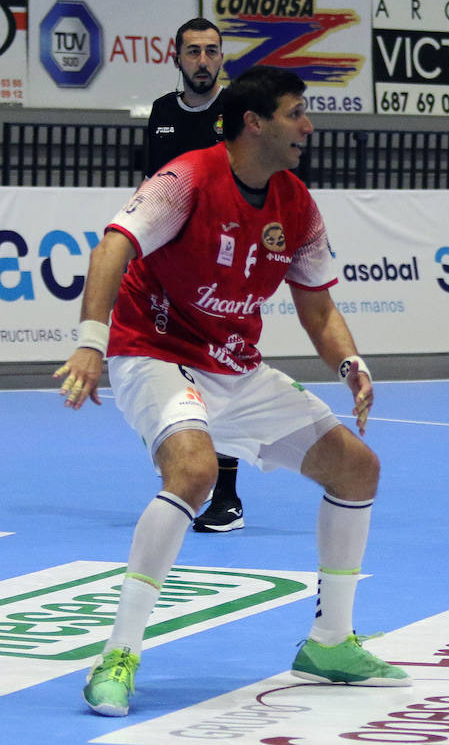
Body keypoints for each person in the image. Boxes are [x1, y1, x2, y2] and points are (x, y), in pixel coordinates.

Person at [56, 65, 410, 717]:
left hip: (232, 364)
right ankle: (118, 654)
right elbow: (114, 245)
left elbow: (318, 308)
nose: (308, 125)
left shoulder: (297, 203)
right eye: (295, 112)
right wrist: (89, 338)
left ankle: (330, 641)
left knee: (357, 467)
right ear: (255, 122)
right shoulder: (188, 176)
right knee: (192, 471)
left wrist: (351, 361)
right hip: (154, 348)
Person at [142, 17, 247, 534]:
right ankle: (184, 473)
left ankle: (227, 497)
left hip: (221, 273)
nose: (203, 60)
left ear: (222, 57)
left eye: (211, 51)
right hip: (164, 273)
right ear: (176, 56)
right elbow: (151, 190)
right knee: (162, 374)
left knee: (219, 380)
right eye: (193, 52)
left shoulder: (237, 113)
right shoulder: (162, 113)